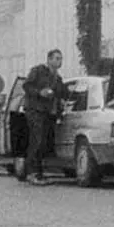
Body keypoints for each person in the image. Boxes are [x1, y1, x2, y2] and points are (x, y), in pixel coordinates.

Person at [20, 48, 68, 186]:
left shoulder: (58, 78)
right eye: (57, 58)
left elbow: (63, 92)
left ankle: (37, 173)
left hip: (48, 112)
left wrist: (63, 99)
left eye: (61, 59)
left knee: (44, 143)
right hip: (35, 110)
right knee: (37, 139)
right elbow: (26, 86)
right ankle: (31, 173)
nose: (59, 61)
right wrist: (39, 92)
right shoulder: (38, 71)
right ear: (49, 59)